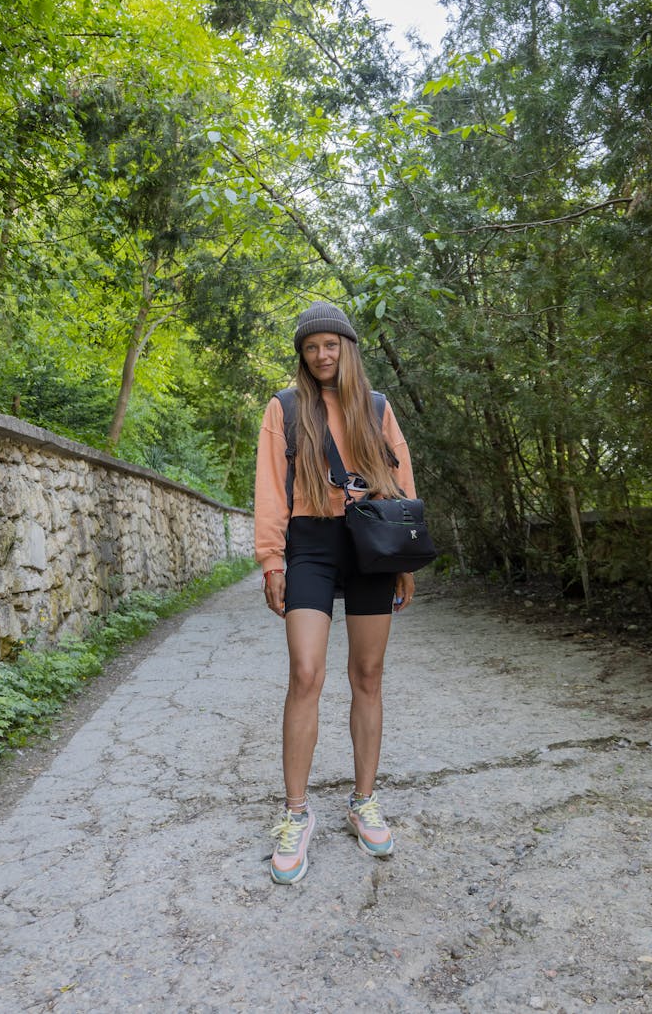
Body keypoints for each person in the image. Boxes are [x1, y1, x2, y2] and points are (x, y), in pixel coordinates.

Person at [254, 301, 417, 885]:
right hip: (312, 544)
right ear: (302, 354)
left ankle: (363, 800)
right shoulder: (286, 408)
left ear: (347, 348)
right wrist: (272, 561)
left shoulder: (376, 407)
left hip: (371, 541)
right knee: (306, 672)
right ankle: (296, 814)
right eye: (310, 346)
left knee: (368, 675)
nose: (321, 355)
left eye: (331, 345)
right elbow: (271, 488)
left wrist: (403, 556)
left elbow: (400, 479)